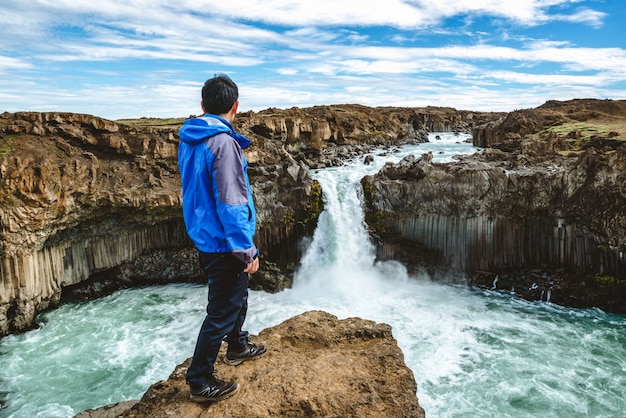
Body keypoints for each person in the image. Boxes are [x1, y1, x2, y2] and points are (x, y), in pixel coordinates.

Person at [177, 74, 267, 403]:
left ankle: (238, 345)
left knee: (235, 296)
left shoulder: (190, 139)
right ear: (235, 106)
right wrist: (246, 250)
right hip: (223, 240)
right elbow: (231, 203)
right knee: (220, 311)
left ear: (203, 106)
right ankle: (199, 380)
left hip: (204, 235)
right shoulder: (224, 144)